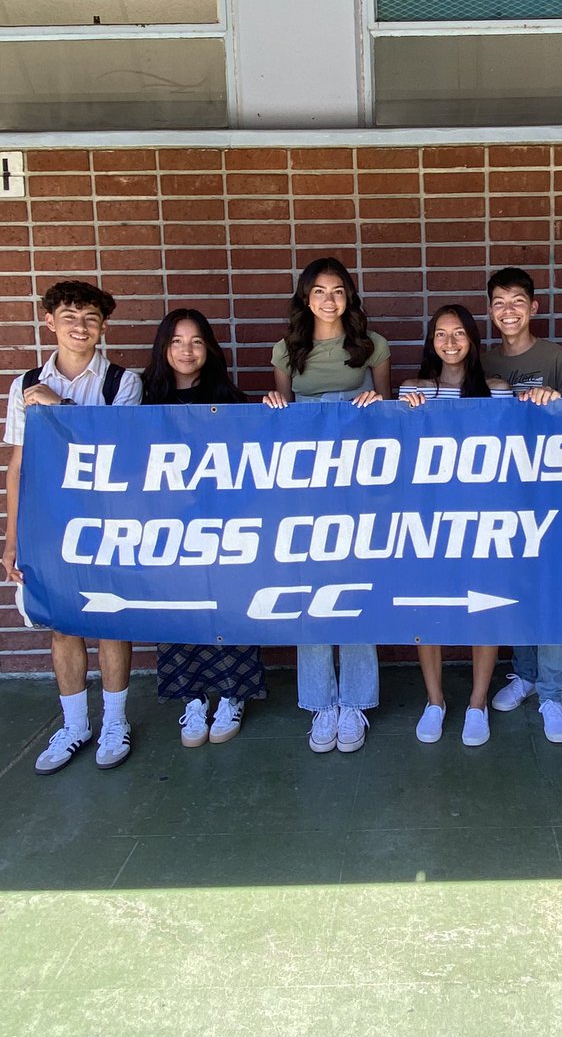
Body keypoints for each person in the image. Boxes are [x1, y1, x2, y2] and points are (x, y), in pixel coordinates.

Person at [2, 281, 142, 774]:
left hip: (106, 518)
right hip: (48, 521)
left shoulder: (120, 383)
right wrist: (12, 537)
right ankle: (75, 724)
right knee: (61, 623)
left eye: (89, 319)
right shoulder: (24, 385)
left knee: (110, 620)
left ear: (103, 327)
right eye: (69, 316)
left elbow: (119, 449)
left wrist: (58, 408)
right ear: (49, 321)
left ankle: (114, 722)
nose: (79, 327)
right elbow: (19, 465)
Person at [264, 258, 390, 755]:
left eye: (338, 291)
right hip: (306, 488)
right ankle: (320, 703)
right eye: (319, 292)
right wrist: (276, 409)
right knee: (309, 590)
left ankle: (356, 701)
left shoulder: (371, 343)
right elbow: (282, 422)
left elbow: (388, 410)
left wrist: (374, 403)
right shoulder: (286, 349)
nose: (329, 300)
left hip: (360, 485)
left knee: (353, 587)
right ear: (305, 298)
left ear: (349, 296)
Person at [141, 309, 267, 747]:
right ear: (163, 348)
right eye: (176, 341)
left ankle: (232, 695)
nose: (186, 350)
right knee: (178, 611)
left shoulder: (231, 400)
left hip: (224, 525)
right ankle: (192, 699)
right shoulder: (143, 403)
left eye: (195, 341)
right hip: (166, 528)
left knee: (228, 607)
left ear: (209, 348)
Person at [400, 304, 513, 747]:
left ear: (472, 340)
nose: (450, 342)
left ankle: (478, 702)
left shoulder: (496, 390)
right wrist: (401, 410)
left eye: (459, 334)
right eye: (441, 335)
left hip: (483, 517)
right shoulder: (415, 390)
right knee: (428, 610)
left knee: (483, 612)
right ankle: (435, 700)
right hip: (427, 520)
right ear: (431, 342)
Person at [483, 267, 562, 743]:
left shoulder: (558, 358)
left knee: (550, 593)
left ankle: (552, 693)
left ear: (534, 307)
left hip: (549, 495)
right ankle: (522, 673)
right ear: (489, 310)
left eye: (517, 301)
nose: (509, 311)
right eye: (499, 302)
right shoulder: (481, 362)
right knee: (515, 588)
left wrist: (554, 401)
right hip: (501, 496)